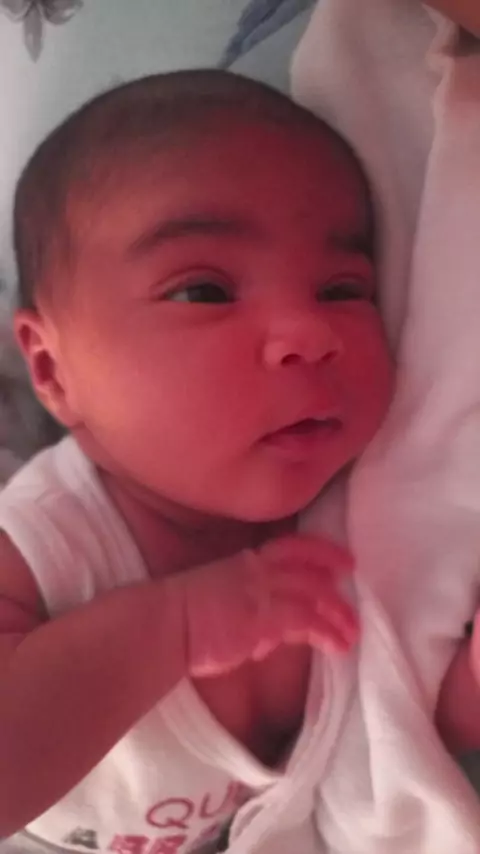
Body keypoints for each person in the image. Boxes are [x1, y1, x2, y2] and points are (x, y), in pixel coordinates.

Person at [0, 70, 393, 854]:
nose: (310, 332)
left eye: (343, 289)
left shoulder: (361, 515)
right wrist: (176, 625)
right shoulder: (44, 545)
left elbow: (393, 735)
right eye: (204, 291)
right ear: (51, 368)